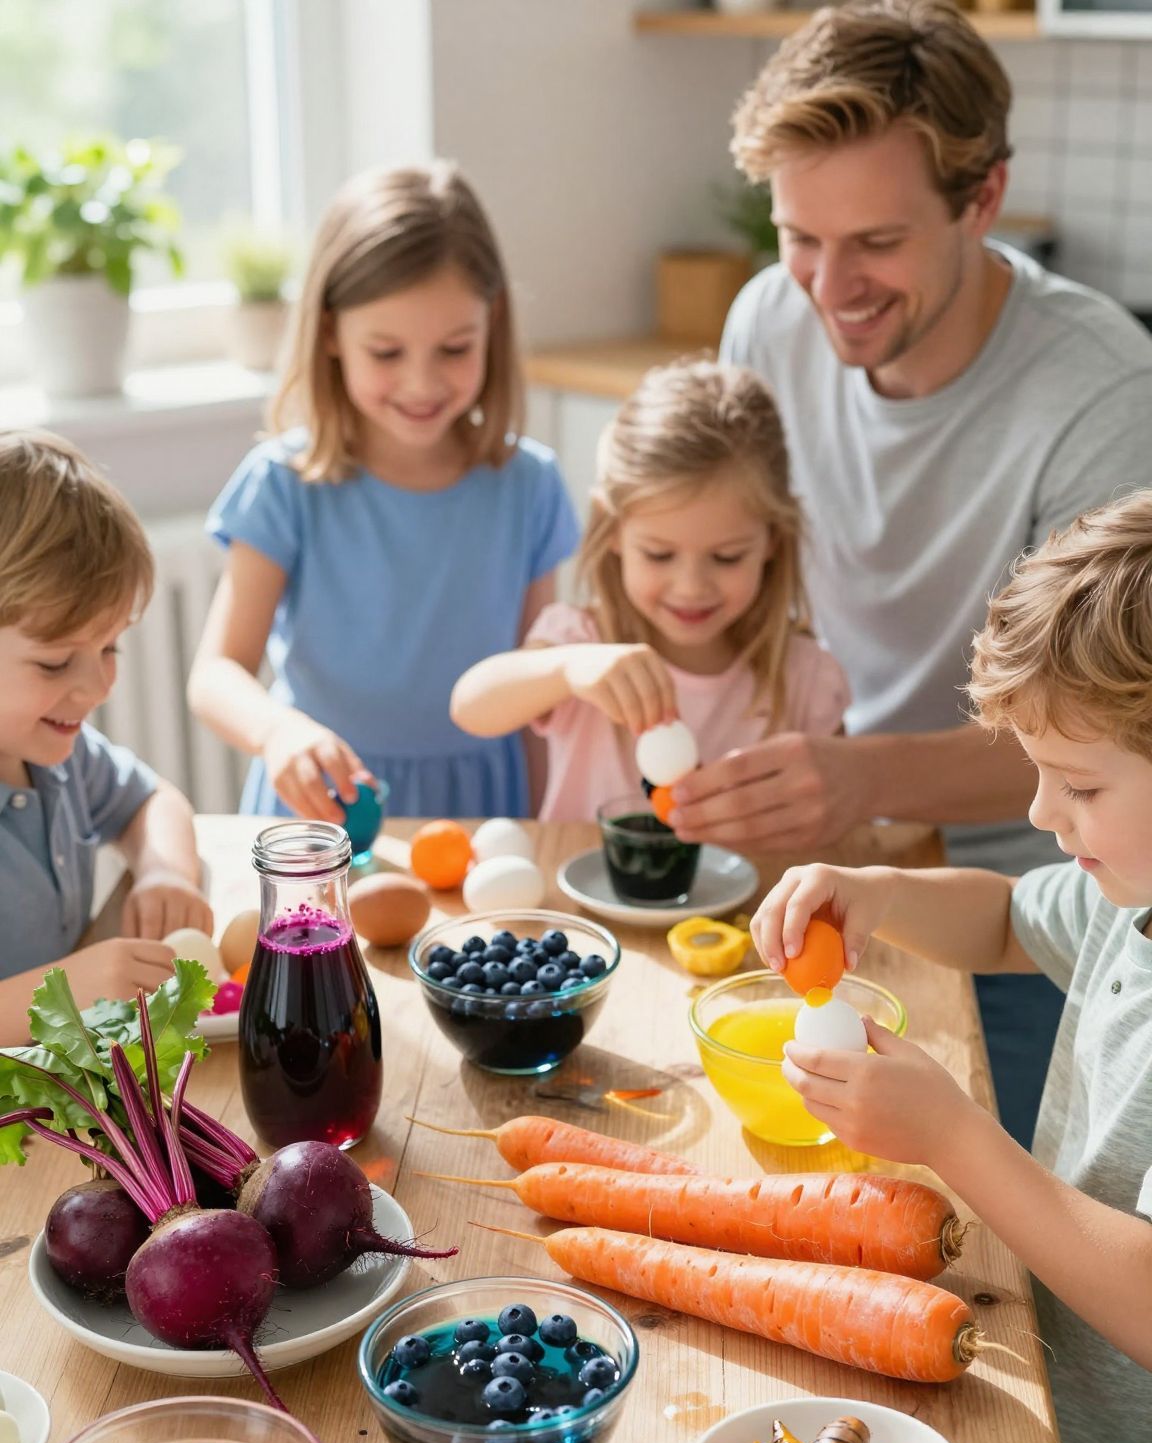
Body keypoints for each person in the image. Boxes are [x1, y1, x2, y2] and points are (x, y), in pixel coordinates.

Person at [669, 0, 1152, 1145]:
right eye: (800, 236)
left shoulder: (1103, 395)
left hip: (1047, 896)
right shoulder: (767, 323)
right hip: (837, 866)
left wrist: (862, 777)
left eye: (877, 242)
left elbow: (1113, 732)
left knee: (994, 1213)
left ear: (983, 200)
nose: (829, 285)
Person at [751, 493, 1152, 1443]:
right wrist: (877, 885)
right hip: (1051, 1414)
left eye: (1077, 785)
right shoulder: (1135, 894)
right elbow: (1009, 919)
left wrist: (952, 1138)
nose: (1041, 815)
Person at [188, 162, 580, 823]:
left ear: (492, 324)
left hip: (486, 812)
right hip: (324, 812)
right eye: (386, 353)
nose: (421, 384)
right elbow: (216, 673)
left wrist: (547, 831)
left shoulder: (529, 487)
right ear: (331, 333)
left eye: (454, 348)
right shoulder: (285, 484)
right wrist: (277, 732)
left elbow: (538, 696)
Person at [450, 358, 848, 818]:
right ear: (614, 530)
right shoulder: (583, 644)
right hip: (580, 868)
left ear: (773, 540)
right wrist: (568, 669)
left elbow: (839, 819)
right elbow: (470, 706)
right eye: (659, 555)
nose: (691, 587)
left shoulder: (804, 679)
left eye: (727, 557)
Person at [0, 432, 211, 1045]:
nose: (98, 687)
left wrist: (165, 873)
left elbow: (152, 800)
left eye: (109, 647)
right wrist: (57, 997)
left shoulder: (55, 756)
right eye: (55, 663)